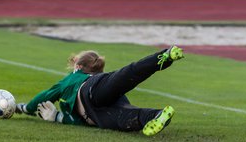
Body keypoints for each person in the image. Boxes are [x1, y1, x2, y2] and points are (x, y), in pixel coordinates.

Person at [15, 46, 184, 136]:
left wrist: (23, 108)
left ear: (79, 66)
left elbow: (45, 96)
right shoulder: (93, 75)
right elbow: (77, 121)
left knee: (126, 76)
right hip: (96, 115)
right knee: (124, 119)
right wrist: (58, 117)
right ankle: (156, 116)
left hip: (92, 90)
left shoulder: (75, 77)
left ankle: (165, 55)